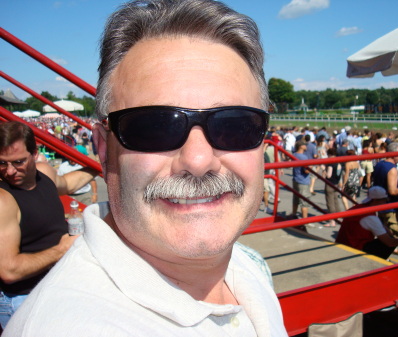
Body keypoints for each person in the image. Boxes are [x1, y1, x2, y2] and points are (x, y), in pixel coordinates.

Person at [4, 1, 288, 335]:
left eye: (235, 124)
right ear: (102, 148)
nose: (198, 161)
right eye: (155, 127)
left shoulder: (248, 266)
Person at [0, 121, 97, 329]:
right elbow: (8, 271)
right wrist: (61, 249)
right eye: (2, 163)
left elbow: (68, 183)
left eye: (18, 162)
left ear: (34, 154)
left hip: (54, 287)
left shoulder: (44, 173)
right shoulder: (3, 200)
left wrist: (98, 165)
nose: (9, 171)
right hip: (23, 299)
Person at [336, 186, 398, 259]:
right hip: (355, 250)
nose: (386, 202)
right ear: (376, 201)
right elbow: (390, 242)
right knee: (387, 244)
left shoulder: (358, 207)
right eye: (384, 200)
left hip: (343, 245)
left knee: (385, 239)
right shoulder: (370, 218)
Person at [372, 142, 398, 237]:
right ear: (393, 154)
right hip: (391, 208)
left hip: (381, 205)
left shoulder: (380, 164)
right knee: (393, 233)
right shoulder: (392, 169)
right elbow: (392, 190)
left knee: (383, 233)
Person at [290, 140, 311, 219]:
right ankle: (305, 220)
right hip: (303, 181)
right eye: (304, 145)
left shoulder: (294, 155)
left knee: (296, 199)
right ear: (301, 146)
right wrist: (311, 167)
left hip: (296, 179)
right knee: (304, 201)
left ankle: (294, 214)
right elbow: (306, 170)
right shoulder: (304, 157)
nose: (306, 146)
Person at [324, 148, 344, 227]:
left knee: (330, 203)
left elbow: (329, 175)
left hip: (329, 184)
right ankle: (338, 217)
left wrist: (324, 171)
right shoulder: (338, 163)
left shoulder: (331, 164)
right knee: (336, 201)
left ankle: (332, 220)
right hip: (336, 184)